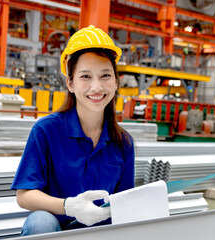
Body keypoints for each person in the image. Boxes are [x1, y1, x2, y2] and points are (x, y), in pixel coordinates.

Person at [11, 25, 135, 236]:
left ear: (116, 82)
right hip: (54, 228)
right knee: (40, 222)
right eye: (85, 77)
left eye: (105, 76)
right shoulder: (46, 131)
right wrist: (69, 206)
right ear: (70, 83)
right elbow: (24, 195)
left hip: (99, 231)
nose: (96, 87)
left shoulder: (123, 143)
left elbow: (125, 201)